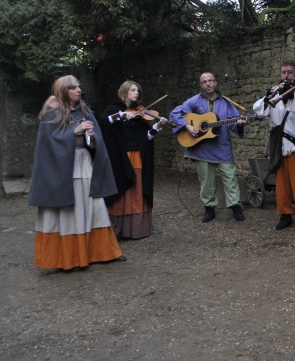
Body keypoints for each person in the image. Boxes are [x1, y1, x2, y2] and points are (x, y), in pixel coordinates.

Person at [28, 75, 125, 270]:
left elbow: (96, 140)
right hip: (63, 170)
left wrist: (91, 137)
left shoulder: (85, 111)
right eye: (73, 88)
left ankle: (103, 251)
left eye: (79, 87)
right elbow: (50, 143)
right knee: (69, 212)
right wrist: (75, 131)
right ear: (64, 91)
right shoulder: (51, 114)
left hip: (85, 165)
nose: (78, 90)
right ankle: (68, 257)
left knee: (95, 207)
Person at [169, 72, 247, 223]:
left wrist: (239, 123)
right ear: (201, 85)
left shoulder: (227, 102)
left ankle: (235, 207)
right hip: (202, 148)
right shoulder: (194, 101)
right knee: (206, 181)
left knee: (230, 178)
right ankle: (209, 208)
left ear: (216, 83)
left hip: (222, 146)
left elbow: (233, 120)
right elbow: (175, 113)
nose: (208, 84)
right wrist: (187, 126)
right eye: (205, 82)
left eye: (211, 81)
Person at [98, 81, 170, 239]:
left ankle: (136, 229)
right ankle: (118, 229)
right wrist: (121, 115)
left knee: (137, 189)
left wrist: (156, 127)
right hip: (120, 156)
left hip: (136, 155)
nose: (136, 93)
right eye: (132, 90)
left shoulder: (139, 113)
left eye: (137, 90)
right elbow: (101, 123)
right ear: (124, 92)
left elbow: (145, 138)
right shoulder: (114, 109)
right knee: (122, 189)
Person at [253, 61, 295, 233]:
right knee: (281, 185)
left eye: (290, 72)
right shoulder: (274, 93)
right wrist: (269, 95)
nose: (286, 75)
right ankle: (285, 215)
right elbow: (259, 110)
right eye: (283, 72)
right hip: (279, 146)